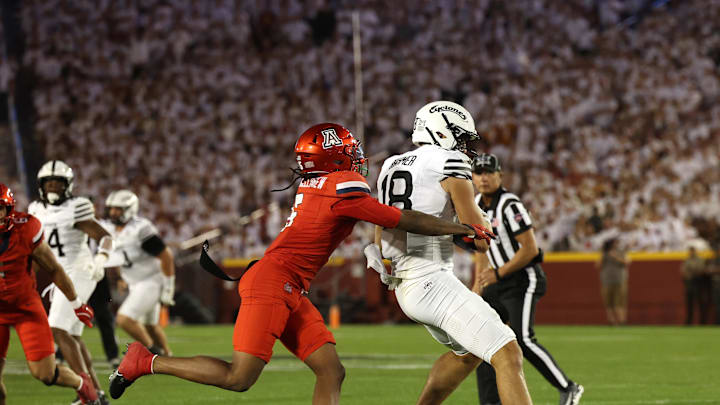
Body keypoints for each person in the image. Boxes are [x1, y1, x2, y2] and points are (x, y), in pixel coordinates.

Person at [108, 122, 494, 404]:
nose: (357, 158)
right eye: (350, 151)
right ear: (336, 156)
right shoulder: (343, 185)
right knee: (239, 377)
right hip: (273, 282)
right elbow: (401, 219)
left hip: (287, 283)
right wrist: (459, 227)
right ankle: (145, 361)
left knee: (331, 370)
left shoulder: (320, 184)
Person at [369, 101, 532, 405]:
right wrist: (467, 224)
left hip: (405, 285)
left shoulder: (390, 164)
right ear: (442, 131)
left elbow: (384, 234)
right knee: (508, 351)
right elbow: (481, 239)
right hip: (431, 280)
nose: (464, 145)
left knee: (468, 354)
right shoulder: (449, 161)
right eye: (460, 136)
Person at [471, 153, 583, 405]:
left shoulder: (510, 204)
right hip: (497, 281)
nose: (484, 177)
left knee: (523, 338)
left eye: (489, 172)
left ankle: (568, 387)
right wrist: (477, 285)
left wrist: (498, 273)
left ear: (500, 175)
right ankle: (490, 402)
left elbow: (530, 249)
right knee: (483, 338)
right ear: (472, 177)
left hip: (523, 278)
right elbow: (481, 249)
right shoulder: (475, 204)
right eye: (478, 173)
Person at [0, 183, 100, 405]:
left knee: (45, 374)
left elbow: (54, 268)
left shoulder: (26, 228)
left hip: (25, 308)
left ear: (9, 209)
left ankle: (83, 385)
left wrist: (76, 303)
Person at [28, 160, 115, 405]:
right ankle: (96, 394)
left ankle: (85, 394)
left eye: (58, 182)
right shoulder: (35, 209)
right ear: (41, 186)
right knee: (73, 337)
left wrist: (101, 257)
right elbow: (35, 249)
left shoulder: (77, 206)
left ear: (68, 185)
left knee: (57, 328)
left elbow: (105, 237)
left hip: (80, 269)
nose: (53, 186)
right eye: (49, 182)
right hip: (58, 273)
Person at [101, 190, 175, 357]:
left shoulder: (140, 228)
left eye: (118, 209)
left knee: (124, 319)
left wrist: (168, 289)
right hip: (135, 282)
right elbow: (119, 256)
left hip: (151, 280)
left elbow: (166, 256)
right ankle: (168, 356)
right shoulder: (110, 228)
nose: (113, 213)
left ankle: (153, 353)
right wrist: (120, 277)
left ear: (130, 209)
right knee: (150, 325)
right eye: (111, 209)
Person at [597, 238, 629, 326]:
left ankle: (622, 321)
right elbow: (598, 265)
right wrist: (603, 254)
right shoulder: (605, 254)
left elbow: (627, 262)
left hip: (619, 280)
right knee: (608, 303)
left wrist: (615, 257)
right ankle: (612, 321)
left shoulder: (621, 252)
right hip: (606, 281)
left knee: (619, 302)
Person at [681, 245, 711, 325]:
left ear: (695, 251)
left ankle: (702, 322)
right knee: (689, 304)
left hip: (699, 283)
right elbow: (684, 271)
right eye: (690, 251)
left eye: (692, 251)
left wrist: (693, 272)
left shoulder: (700, 260)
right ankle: (689, 322)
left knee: (701, 304)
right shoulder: (687, 260)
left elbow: (701, 270)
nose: (691, 252)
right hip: (690, 284)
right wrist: (692, 273)